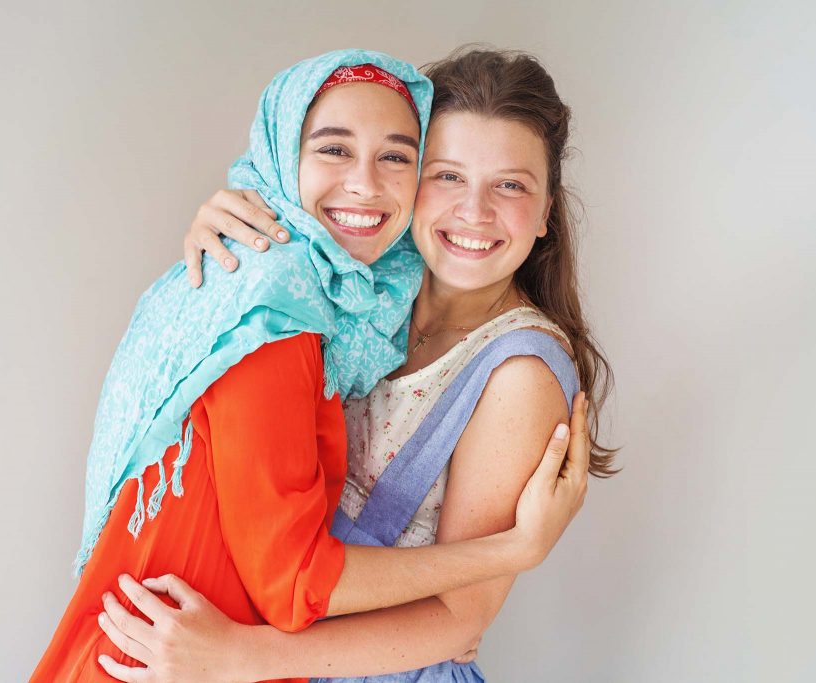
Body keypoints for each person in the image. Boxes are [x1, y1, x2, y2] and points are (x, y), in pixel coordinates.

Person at [32, 49, 593, 683]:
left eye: (511, 185)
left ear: (547, 209)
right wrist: (230, 218)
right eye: (446, 175)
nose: (474, 211)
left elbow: (461, 622)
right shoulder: (358, 293)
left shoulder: (520, 373)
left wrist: (243, 656)